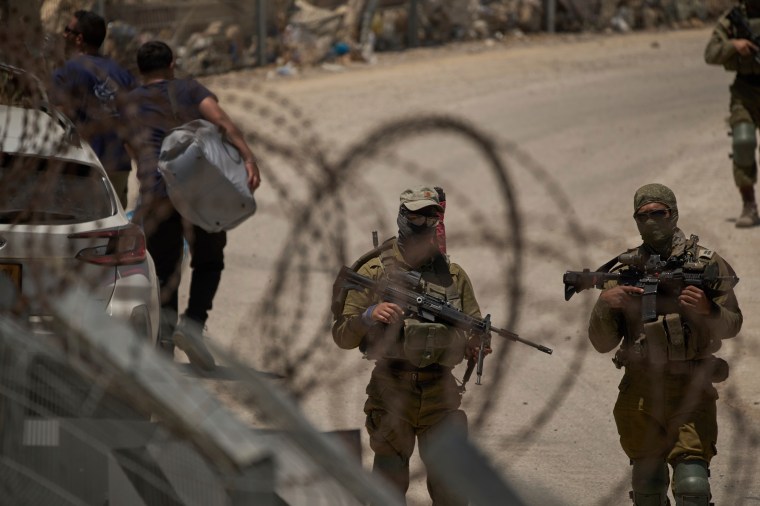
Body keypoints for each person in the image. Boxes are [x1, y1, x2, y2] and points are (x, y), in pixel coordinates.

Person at [332, 186, 489, 505]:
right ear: (402, 216)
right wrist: (369, 314)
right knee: (388, 489)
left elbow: (474, 324)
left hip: (441, 395)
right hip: (391, 393)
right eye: (415, 216)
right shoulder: (374, 271)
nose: (423, 223)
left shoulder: (452, 275)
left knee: (452, 491)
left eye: (430, 216)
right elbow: (342, 336)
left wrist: (477, 343)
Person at [587, 184, 742, 505]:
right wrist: (605, 303)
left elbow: (733, 324)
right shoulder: (627, 269)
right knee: (648, 485)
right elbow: (602, 343)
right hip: (640, 390)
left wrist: (708, 310)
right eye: (642, 216)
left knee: (693, 485)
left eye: (658, 213)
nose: (651, 221)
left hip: (690, 386)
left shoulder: (706, 264)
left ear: (673, 214)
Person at [121, 40, 261, 371]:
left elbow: (129, 145)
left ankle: (165, 343)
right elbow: (222, 121)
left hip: (157, 193)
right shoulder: (188, 88)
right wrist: (248, 157)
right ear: (172, 64)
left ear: (140, 70)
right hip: (200, 189)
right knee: (209, 260)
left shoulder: (128, 103)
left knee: (164, 271)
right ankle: (193, 325)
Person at [51, 10, 137, 209]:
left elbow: (58, 117)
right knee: (113, 230)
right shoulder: (122, 73)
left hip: (83, 167)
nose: (64, 35)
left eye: (67, 30)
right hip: (118, 166)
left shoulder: (66, 72)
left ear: (79, 39)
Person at [704, 0, 760, 227]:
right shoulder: (733, 19)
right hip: (744, 92)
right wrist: (733, 46)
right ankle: (749, 205)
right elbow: (710, 54)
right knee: (743, 142)